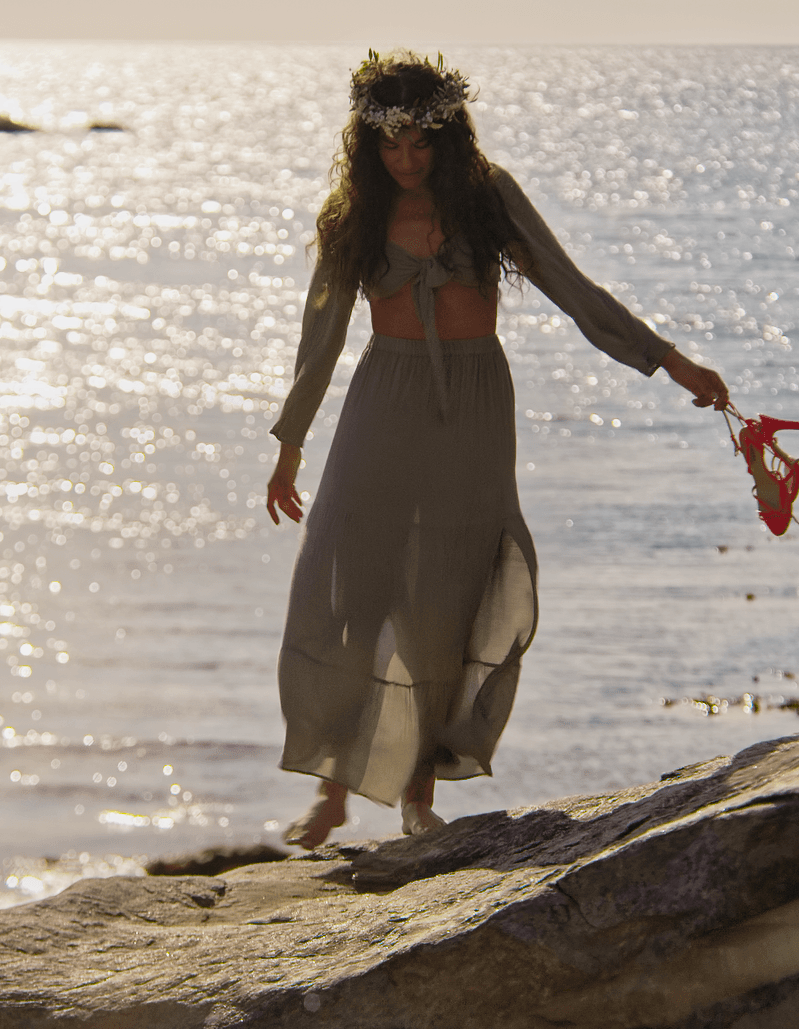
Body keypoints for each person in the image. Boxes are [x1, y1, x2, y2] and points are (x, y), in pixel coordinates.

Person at [264, 50, 730, 849]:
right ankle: (335, 790)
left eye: (421, 142)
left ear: (448, 136)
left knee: (443, 598)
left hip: (474, 409)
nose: (407, 159)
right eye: (391, 144)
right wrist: (291, 443)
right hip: (383, 404)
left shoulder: (489, 199)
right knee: (348, 579)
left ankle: (416, 794)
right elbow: (323, 333)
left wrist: (669, 361)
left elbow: (573, 288)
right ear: (367, 145)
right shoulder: (353, 215)